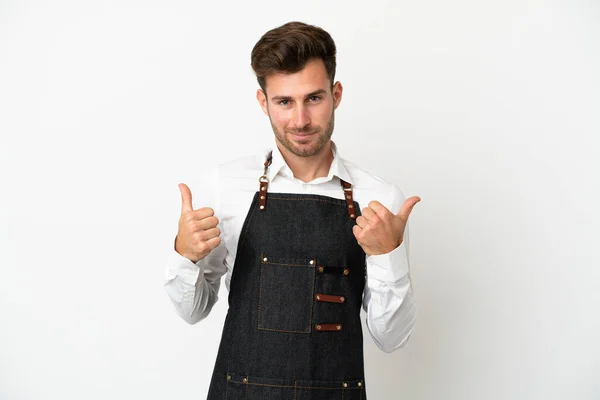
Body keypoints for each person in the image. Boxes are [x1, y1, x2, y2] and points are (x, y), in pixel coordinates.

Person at [164, 21, 420, 400]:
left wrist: (387, 257)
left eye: (313, 98)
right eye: (284, 101)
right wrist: (184, 256)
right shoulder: (225, 185)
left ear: (336, 94)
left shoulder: (379, 198)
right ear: (262, 101)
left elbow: (392, 338)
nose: (300, 120)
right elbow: (193, 312)